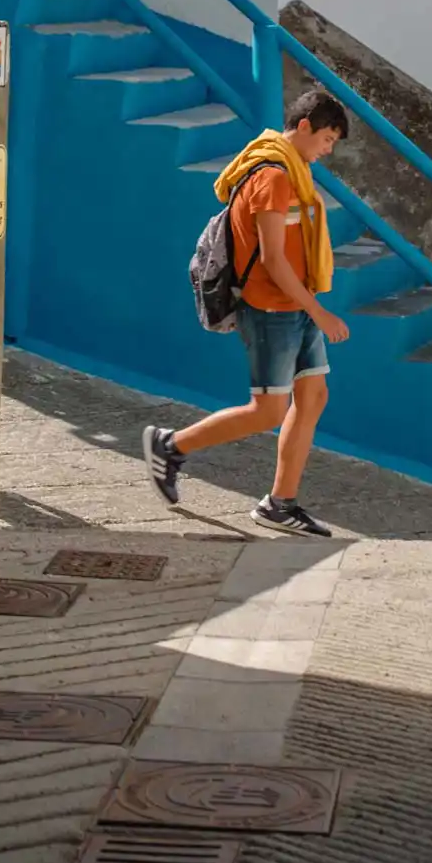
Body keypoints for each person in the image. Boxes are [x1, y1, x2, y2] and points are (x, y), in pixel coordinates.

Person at [143, 87, 351, 536]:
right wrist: (320, 312)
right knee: (268, 411)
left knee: (313, 396)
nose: (327, 150)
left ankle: (281, 503)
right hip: (272, 307)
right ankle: (170, 446)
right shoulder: (273, 177)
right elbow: (273, 259)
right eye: (326, 139)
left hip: (294, 302)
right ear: (302, 128)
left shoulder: (291, 171)